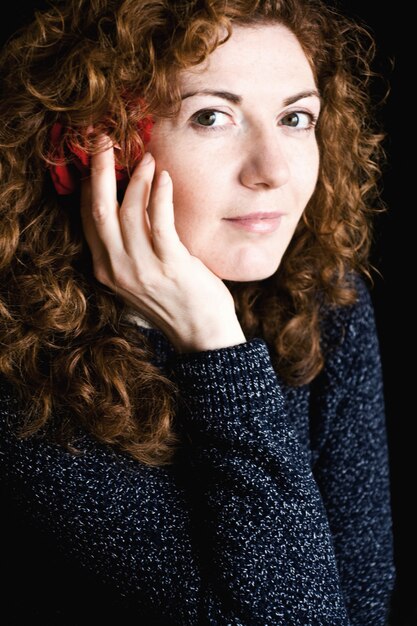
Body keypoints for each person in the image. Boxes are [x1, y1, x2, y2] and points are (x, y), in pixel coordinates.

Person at [0, 0, 396, 623]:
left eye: (296, 118)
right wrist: (217, 350)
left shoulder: (326, 301)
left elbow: (363, 605)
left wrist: (215, 338)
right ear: (95, 147)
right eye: (213, 116)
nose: (274, 171)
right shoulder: (21, 359)